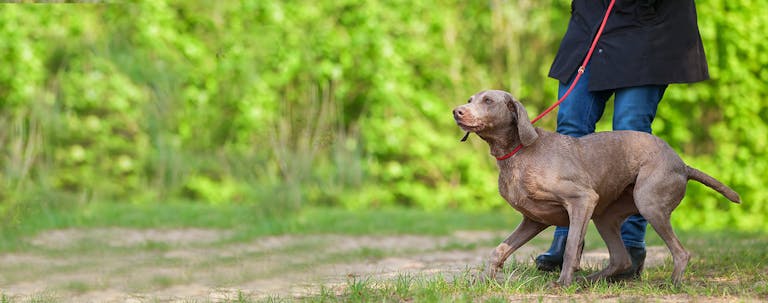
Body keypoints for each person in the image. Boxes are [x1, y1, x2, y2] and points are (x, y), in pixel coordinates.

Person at [536, 0, 709, 280]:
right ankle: (565, 241)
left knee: (631, 131)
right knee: (570, 126)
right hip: (593, 22)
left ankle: (629, 248)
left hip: (648, 25)